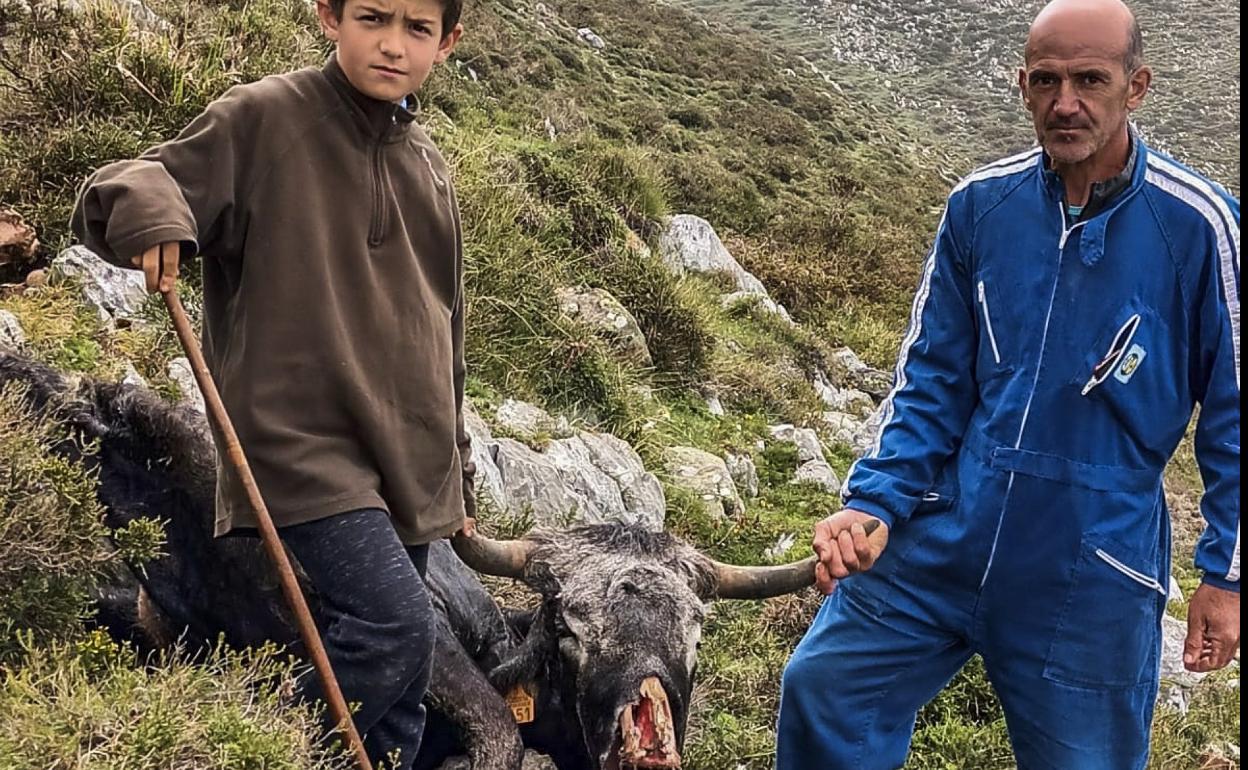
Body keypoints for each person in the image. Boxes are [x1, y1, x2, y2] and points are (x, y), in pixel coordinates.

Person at [776, 0, 1239, 767]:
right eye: (1047, 81)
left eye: (1090, 79)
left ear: (1138, 86)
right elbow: (930, 379)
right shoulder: (979, 207)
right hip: (945, 528)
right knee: (827, 686)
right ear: (1022, 86)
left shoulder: (1201, 225)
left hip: (1091, 563)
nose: (1067, 102)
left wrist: (1225, 576)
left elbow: (1234, 415)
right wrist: (874, 501)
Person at [71, 1, 470, 767]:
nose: (391, 45)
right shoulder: (267, 119)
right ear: (329, 15)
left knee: (405, 681)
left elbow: (445, 327)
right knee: (396, 630)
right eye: (372, 17)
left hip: (409, 458)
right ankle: (232, 750)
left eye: (416, 29)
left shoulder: (431, 168)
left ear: (447, 42)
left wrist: (454, 466)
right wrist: (154, 216)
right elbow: (128, 183)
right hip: (300, 447)